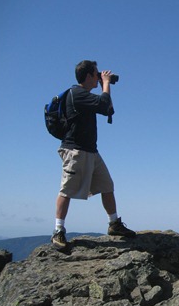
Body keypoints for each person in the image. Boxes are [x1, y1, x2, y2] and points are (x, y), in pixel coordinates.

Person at [51, 60, 136, 251]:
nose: (99, 76)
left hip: (91, 150)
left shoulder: (85, 96)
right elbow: (103, 103)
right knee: (66, 190)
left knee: (107, 185)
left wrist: (104, 85)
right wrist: (105, 83)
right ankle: (58, 230)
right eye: (96, 73)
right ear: (88, 75)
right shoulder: (77, 93)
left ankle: (114, 224)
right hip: (76, 151)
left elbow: (105, 107)